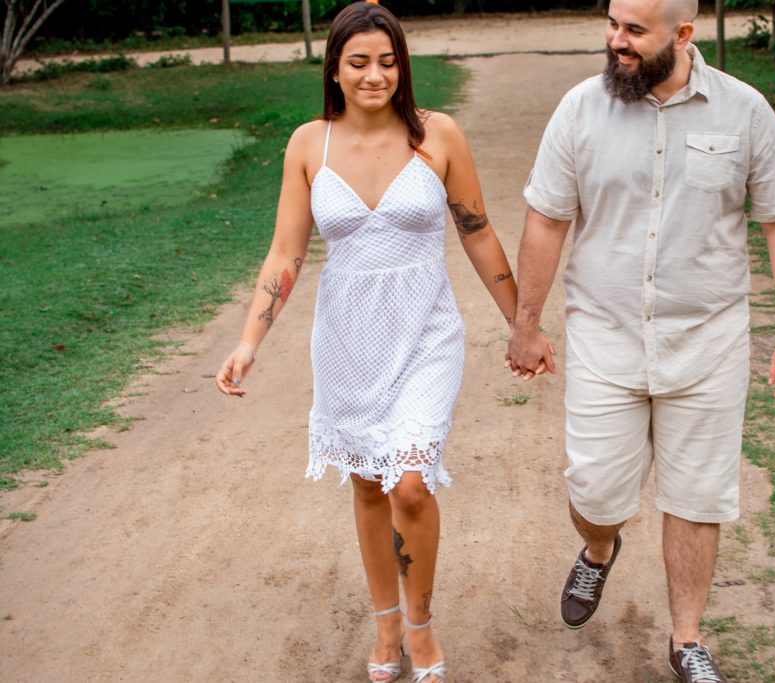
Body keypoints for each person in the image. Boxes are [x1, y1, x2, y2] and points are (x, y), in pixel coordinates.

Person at [505, 0, 775, 680]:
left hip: (708, 341)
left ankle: (687, 637)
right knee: (596, 492)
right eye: (612, 24)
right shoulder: (580, 111)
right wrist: (525, 323)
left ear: (682, 35)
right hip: (605, 336)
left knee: (697, 494)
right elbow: (547, 219)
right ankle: (598, 549)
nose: (616, 41)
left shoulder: (744, 111)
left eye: (634, 31)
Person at [215, 4, 517, 682]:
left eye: (388, 61)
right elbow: (285, 254)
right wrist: (248, 342)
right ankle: (385, 622)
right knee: (369, 484)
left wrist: (520, 321)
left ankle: (421, 622)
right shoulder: (307, 144)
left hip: (426, 332)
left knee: (409, 483)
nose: (375, 74)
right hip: (348, 339)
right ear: (335, 69)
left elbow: (476, 229)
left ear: (403, 65)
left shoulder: (437, 135)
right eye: (359, 62)